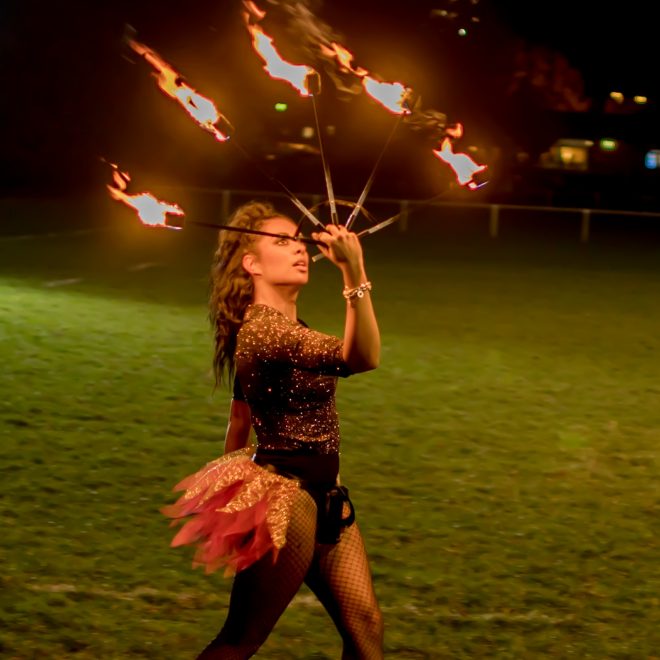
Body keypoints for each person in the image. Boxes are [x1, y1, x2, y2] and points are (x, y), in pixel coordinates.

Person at [163, 201, 384, 659]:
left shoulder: (281, 327)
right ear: (252, 264)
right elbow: (363, 358)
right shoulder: (267, 332)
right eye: (280, 242)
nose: (299, 250)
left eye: (299, 241)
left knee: (366, 626)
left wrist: (234, 492)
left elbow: (239, 418)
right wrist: (354, 272)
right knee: (242, 638)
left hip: (327, 496)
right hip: (290, 501)